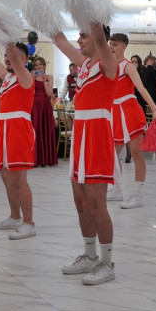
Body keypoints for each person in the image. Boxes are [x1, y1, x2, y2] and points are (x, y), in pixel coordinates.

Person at [53, 23, 120, 285]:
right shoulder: (85, 65)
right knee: (80, 202)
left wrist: (92, 15)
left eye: (83, 34)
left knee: (96, 204)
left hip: (97, 134)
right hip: (80, 134)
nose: (78, 39)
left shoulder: (108, 62)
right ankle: (90, 256)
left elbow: (102, 41)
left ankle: (107, 262)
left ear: (98, 36)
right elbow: (60, 40)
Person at [0, 41, 37, 240]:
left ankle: (29, 223)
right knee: (6, 176)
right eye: (5, 54)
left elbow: (12, 57)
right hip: (5, 129)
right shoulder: (8, 78)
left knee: (19, 179)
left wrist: (7, 36)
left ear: (23, 59)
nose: (7, 57)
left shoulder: (26, 77)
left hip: (19, 129)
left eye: (11, 55)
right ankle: (15, 217)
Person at [104, 33, 156, 209]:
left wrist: (154, 108)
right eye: (110, 44)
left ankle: (137, 194)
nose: (111, 47)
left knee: (136, 153)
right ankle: (116, 189)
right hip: (114, 112)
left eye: (114, 44)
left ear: (123, 47)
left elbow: (141, 88)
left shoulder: (128, 66)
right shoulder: (108, 66)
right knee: (112, 154)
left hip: (129, 110)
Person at [30, 56, 58, 167]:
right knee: (36, 130)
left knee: (46, 129)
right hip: (35, 105)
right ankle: (36, 159)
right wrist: (33, 78)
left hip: (46, 106)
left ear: (44, 65)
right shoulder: (32, 77)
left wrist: (45, 80)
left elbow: (49, 93)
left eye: (40, 64)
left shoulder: (49, 77)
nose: (38, 66)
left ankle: (47, 159)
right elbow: (30, 92)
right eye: (36, 65)